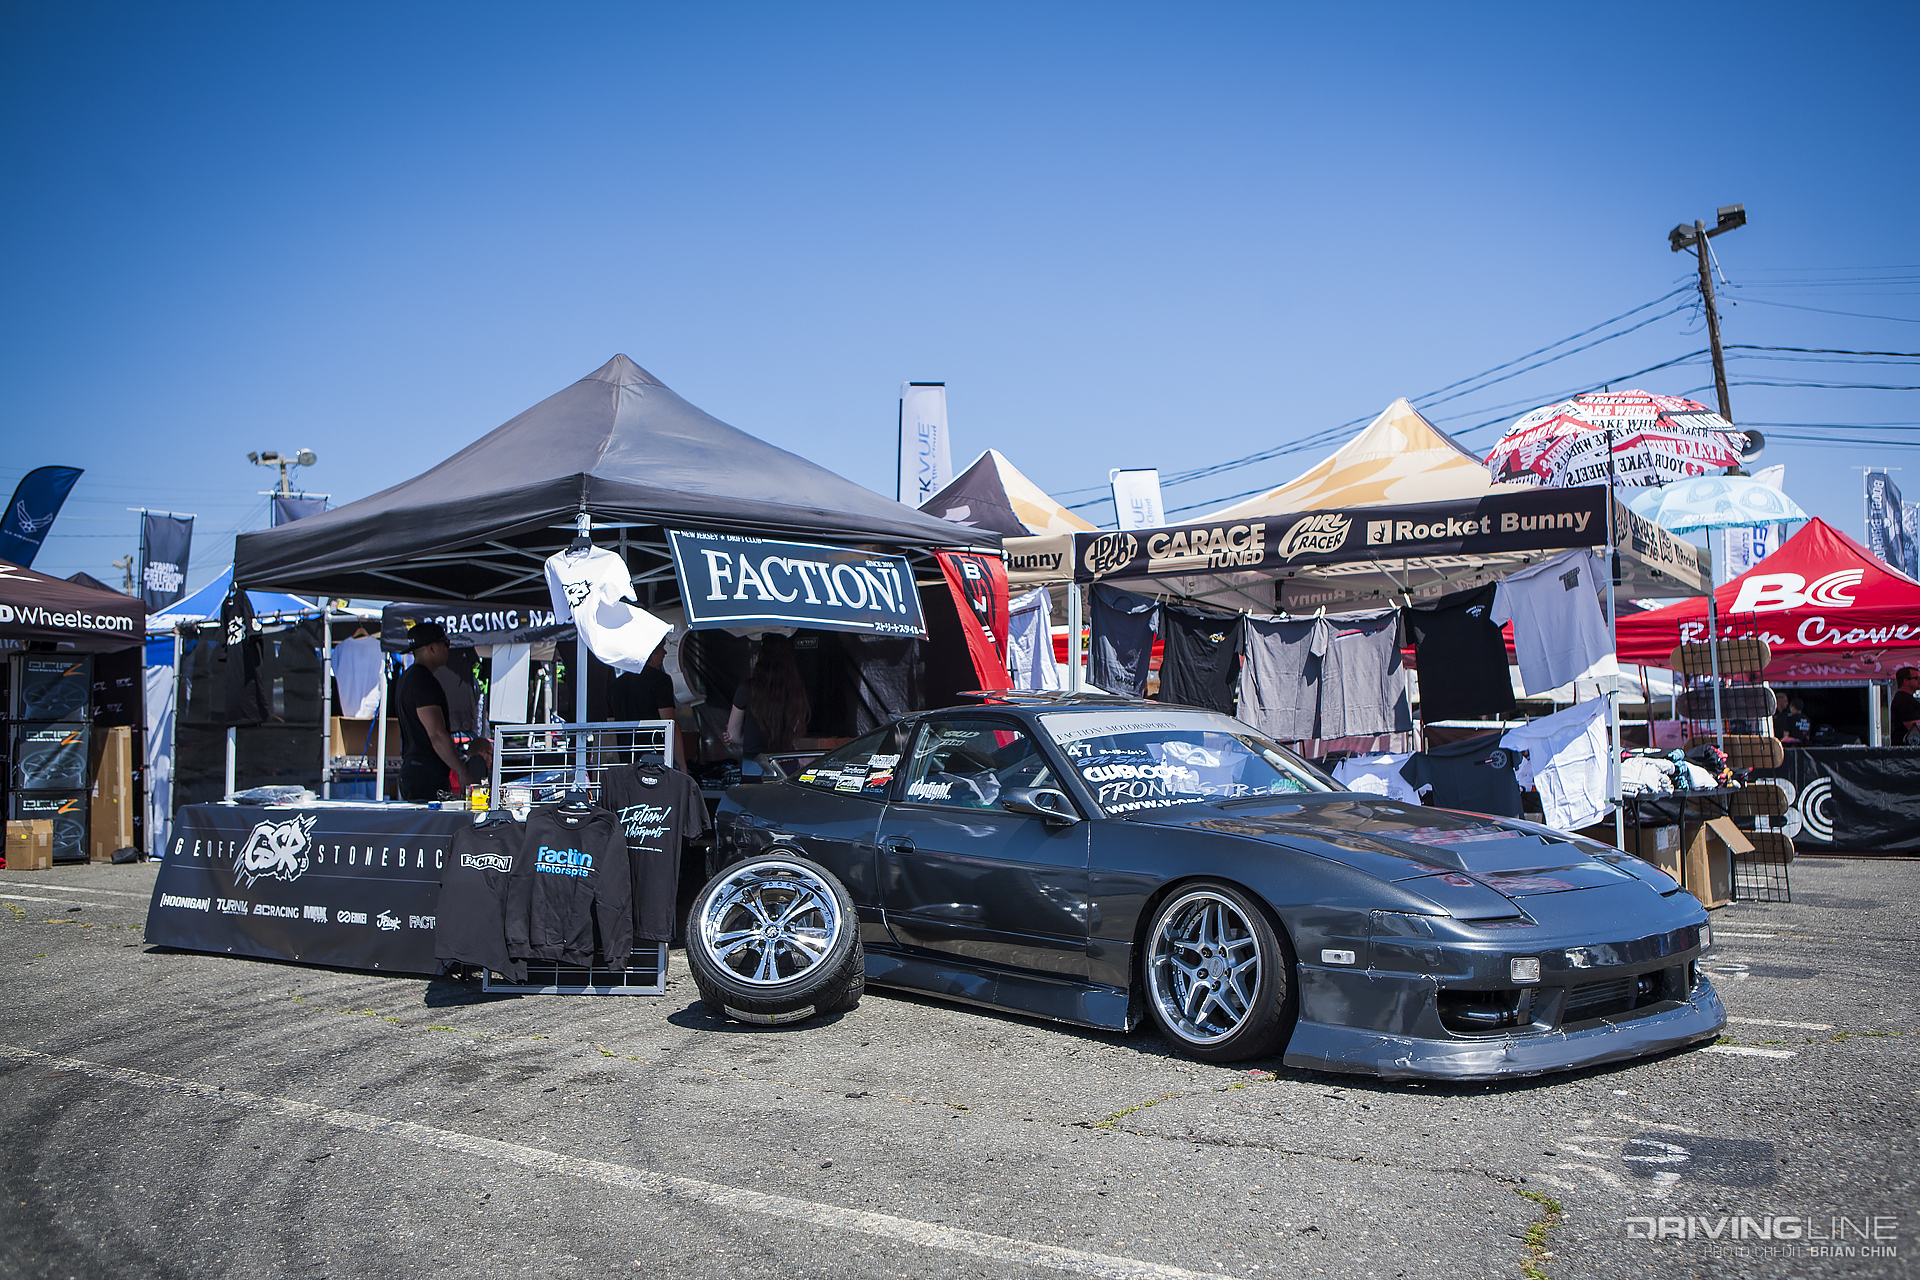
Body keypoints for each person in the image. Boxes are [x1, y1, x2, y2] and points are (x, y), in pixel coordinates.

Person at [397, 622, 471, 801]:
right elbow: (436, 734)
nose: (448, 649)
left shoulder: (407, 678)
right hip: (425, 774)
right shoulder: (423, 681)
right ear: (431, 648)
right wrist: (461, 772)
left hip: (413, 770)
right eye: (446, 643)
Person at [725, 634, 810, 765]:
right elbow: (794, 732)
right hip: (786, 763)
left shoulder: (747, 688)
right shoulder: (795, 690)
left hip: (754, 765)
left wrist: (749, 740)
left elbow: (733, 735)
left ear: (761, 658)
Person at [609, 638, 685, 768]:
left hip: (626, 757)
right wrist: (683, 766)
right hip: (655, 757)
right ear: (651, 652)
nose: (665, 653)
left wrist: (617, 762)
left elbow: (611, 729)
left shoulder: (616, 685)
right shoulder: (661, 680)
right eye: (661, 648)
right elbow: (671, 725)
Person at [1894, 666, 1920, 746]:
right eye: (1917, 678)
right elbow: (1915, 729)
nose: (1919, 681)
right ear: (1906, 681)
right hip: (1907, 750)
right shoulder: (1904, 700)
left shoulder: (1904, 698)